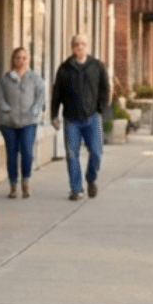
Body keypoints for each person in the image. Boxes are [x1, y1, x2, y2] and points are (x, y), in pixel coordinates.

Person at [50, 33, 111, 200]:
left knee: (96, 152)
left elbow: (105, 88)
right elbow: (56, 93)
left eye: (83, 44)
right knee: (72, 155)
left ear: (87, 46)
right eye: (76, 44)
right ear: (72, 47)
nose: (80, 47)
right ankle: (76, 190)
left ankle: (91, 178)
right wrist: (54, 115)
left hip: (92, 117)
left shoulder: (97, 66)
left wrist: (102, 109)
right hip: (71, 119)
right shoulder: (65, 68)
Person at [0, 46, 44, 199]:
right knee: (12, 154)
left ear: (28, 60)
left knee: (27, 152)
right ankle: (13, 186)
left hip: (29, 122)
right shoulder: (5, 78)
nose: (21, 61)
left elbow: (41, 96)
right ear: (13, 60)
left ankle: (26, 182)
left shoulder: (34, 78)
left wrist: (35, 110)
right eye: (18, 58)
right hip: (9, 123)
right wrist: (6, 109)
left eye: (24, 58)